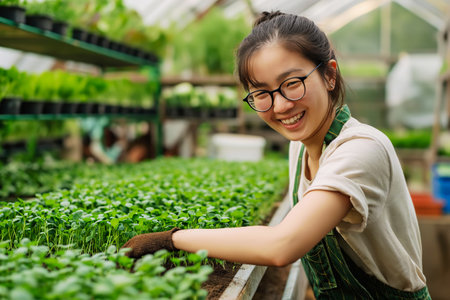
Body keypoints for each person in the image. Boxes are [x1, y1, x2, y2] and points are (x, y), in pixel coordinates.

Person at [121, 11, 431, 299]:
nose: (280, 105)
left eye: (291, 84)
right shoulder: (300, 147)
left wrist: (172, 239)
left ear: (329, 75)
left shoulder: (361, 149)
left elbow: (282, 245)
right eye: (262, 93)